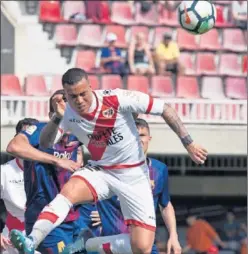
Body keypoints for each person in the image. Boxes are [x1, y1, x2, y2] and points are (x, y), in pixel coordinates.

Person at [10, 67, 208, 254]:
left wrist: (188, 143)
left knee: (142, 248)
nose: (78, 100)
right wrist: (56, 118)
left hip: (134, 176)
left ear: (90, 87)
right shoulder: (68, 114)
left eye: (82, 94)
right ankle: (32, 240)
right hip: (101, 171)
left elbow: (165, 109)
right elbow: (45, 143)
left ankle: (90, 245)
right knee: (67, 194)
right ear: (67, 95)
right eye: (72, 96)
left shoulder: (117, 98)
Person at [63, 118, 182, 254]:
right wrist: (96, 209)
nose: (138, 140)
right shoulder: (109, 166)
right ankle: (78, 246)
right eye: (133, 136)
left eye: (142, 135)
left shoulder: (159, 170)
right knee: (69, 250)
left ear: (149, 138)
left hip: (144, 245)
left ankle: (84, 245)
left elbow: (165, 205)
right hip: (114, 244)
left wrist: (173, 235)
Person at [7, 90, 97, 254]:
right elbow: (14, 147)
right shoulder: (39, 130)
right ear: (51, 114)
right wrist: (57, 160)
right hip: (45, 219)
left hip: (76, 217)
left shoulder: (78, 134)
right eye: (62, 108)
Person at [1, 118, 39, 254]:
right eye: (23, 137)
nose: (28, 142)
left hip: (46, 237)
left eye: (33, 137)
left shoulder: (53, 168)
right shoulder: (4, 171)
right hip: (11, 241)